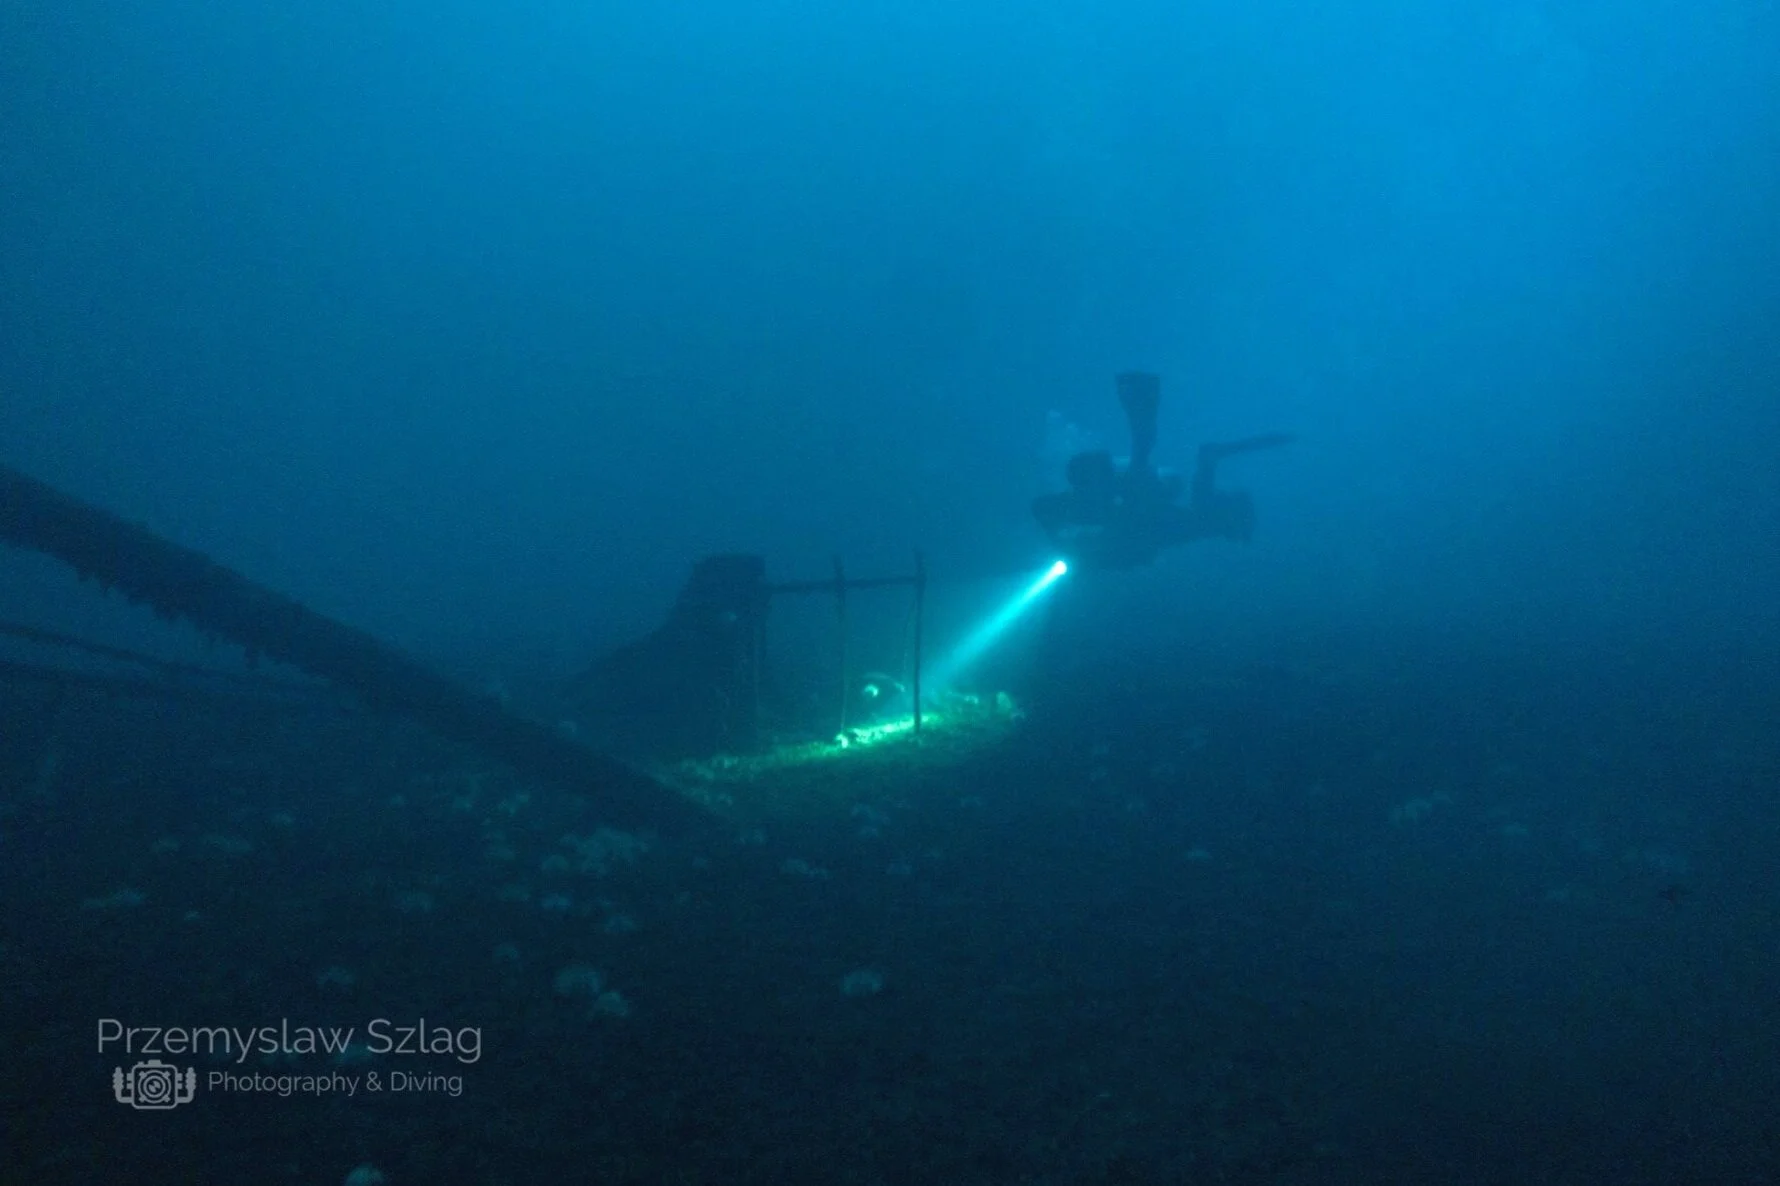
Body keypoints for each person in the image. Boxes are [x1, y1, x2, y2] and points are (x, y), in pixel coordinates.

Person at [1031, 372, 1293, 569]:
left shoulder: (1190, 516)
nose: (1237, 538)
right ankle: (1140, 397)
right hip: (1141, 505)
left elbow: (1135, 533)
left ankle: (1141, 397)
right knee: (1142, 469)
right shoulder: (1192, 516)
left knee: (1142, 471)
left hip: (1141, 506)